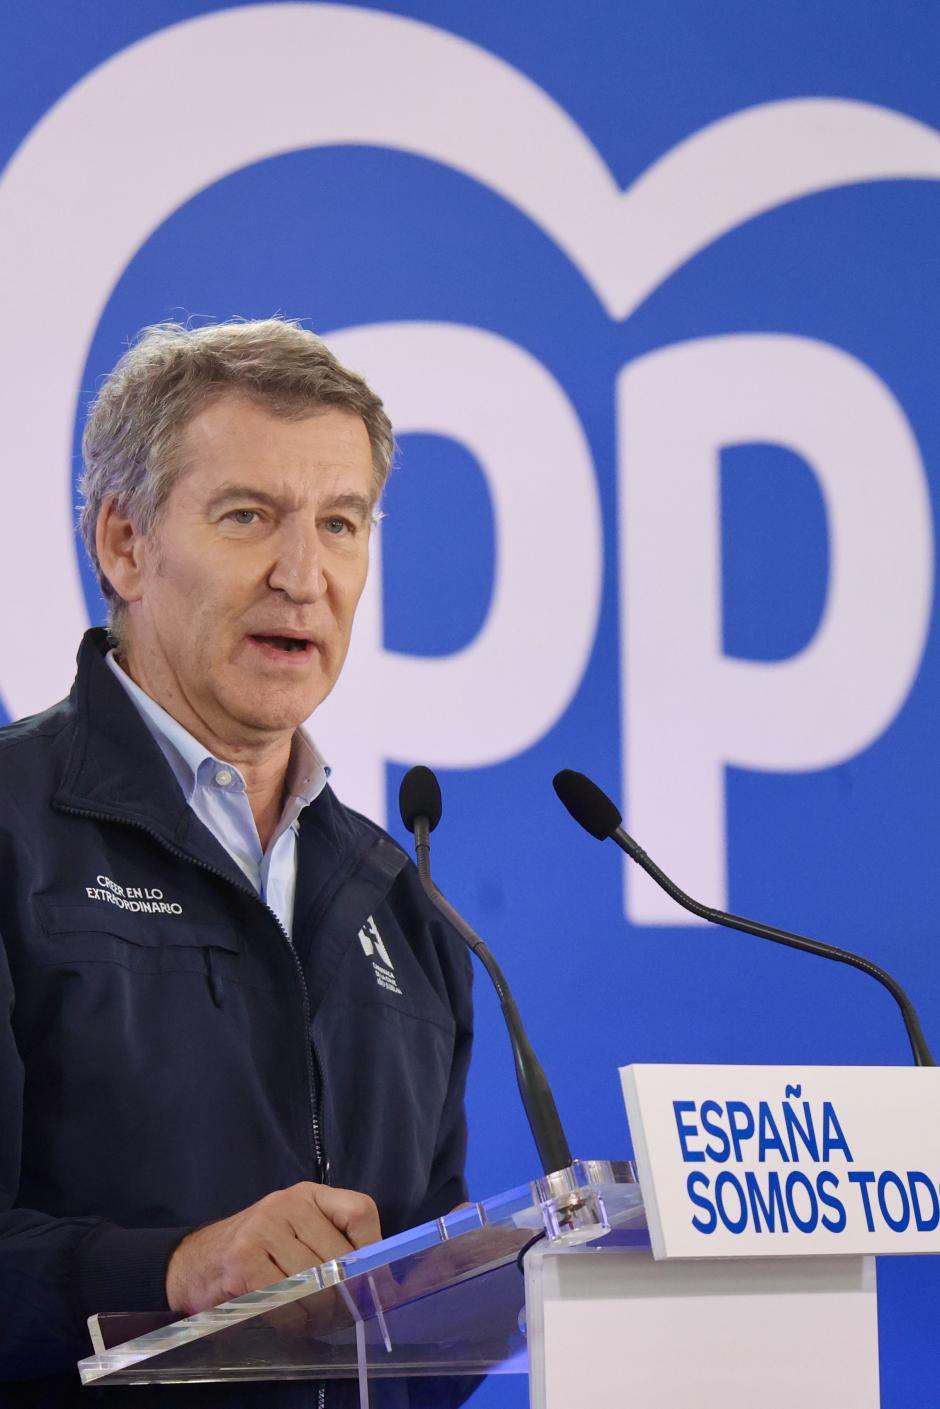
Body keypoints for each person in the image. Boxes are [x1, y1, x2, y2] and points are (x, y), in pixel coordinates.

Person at [0, 320, 473, 1399]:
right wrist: (170, 1270)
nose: (303, 574)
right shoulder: (11, 830)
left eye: (341, 523)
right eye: (248, 515)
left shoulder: (403, 905)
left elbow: (429, 1332)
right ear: (124, 543)